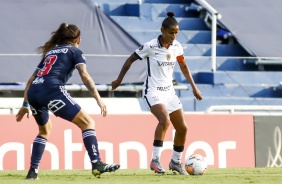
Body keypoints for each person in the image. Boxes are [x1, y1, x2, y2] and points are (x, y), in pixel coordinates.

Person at [16, 23, 120, 179]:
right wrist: (99, 99)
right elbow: (84, 75)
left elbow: (31, 79)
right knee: (88, 123)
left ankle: (32, 172)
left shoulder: (51, 52)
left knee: (44, 131)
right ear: (78, 39)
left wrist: (25, 104)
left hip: (34, 93)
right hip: (52, 90)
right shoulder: (75, 51)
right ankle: (96, 163)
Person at [111, 12, 202, 175]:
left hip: (169, 92)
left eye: (176, 33)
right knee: (164, 120)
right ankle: (155, 160)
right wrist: (119, 80)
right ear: (162, 30)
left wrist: (194, 88)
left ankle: (175, 161)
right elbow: (130, 60)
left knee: (182, 128)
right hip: (152, 91)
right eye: (171, 32)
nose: (173, 36)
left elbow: (184, 67)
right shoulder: (150, 46)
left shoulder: (177, 47)